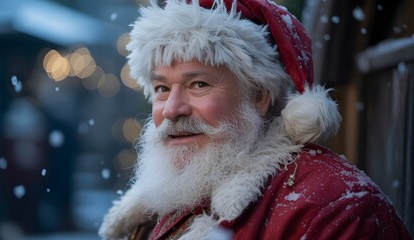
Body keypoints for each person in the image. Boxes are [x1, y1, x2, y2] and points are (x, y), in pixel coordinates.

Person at [99, 0, 411, 239]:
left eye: (198, 84)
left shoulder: (337, 207)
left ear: (259, 96)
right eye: (163, 88)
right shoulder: (169, 197)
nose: (171, 109)